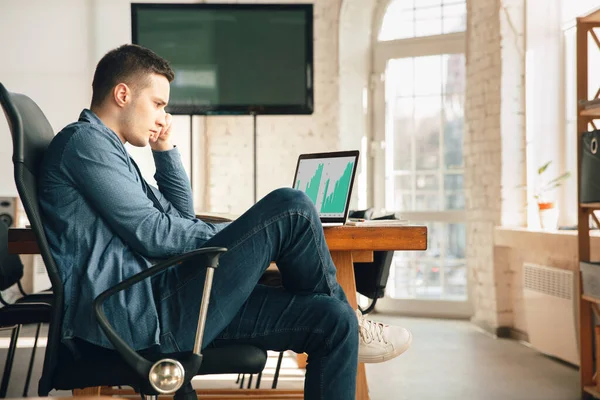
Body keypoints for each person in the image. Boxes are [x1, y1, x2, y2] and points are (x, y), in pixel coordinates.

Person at [38, 44, 412, 400]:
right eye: (157, 104)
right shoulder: (86, 143)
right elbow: (155, 235)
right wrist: (237, 236)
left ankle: (350, 319)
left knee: (332, 320)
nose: (162, 117)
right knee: (293, 206)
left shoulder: (112, 151)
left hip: (167, 298)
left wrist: (164, 151)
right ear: (122, 95)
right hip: (144, 315)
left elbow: (178, 218)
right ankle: (355, 318)